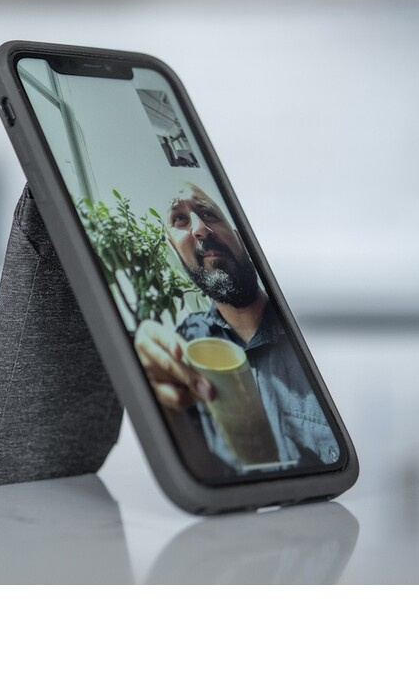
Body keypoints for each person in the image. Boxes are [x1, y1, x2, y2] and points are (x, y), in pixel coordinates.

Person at [134, 182, 340, 473]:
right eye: (180, 220)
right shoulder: (184, 345)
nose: (200, 228)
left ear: (240, 238)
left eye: (209, 214)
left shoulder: (314, 331)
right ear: (174, 250)